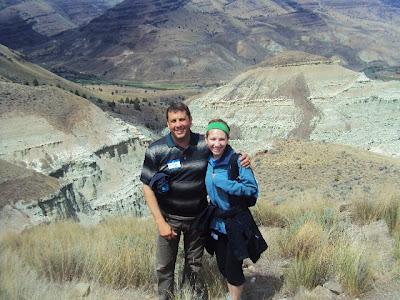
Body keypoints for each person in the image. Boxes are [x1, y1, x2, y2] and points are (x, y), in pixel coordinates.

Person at [140, 103, 250, 300]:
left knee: (193, 263)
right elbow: (147, 186)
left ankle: (188, 295)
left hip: (198, 218)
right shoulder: (156, 149)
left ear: (190, 120)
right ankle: (165, 297)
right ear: (167, 123)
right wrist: (160, 222)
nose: (178, 124)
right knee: (164, 265)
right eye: (173, 121)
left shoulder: (203, 143)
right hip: (169, 218)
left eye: (182, 119)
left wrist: (244, 160)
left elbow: (225, 152)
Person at [204, 119, 267, 300]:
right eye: (213, 139)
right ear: (206, 139)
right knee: (223, 265)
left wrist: (226, 184)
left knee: (233, 268)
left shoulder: (237, 160)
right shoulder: (206, 159)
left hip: (235, 223)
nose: (217, 144)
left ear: (228, 139)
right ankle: (232, 295)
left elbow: (252, 190)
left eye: (222, 139)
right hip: (217, 222)